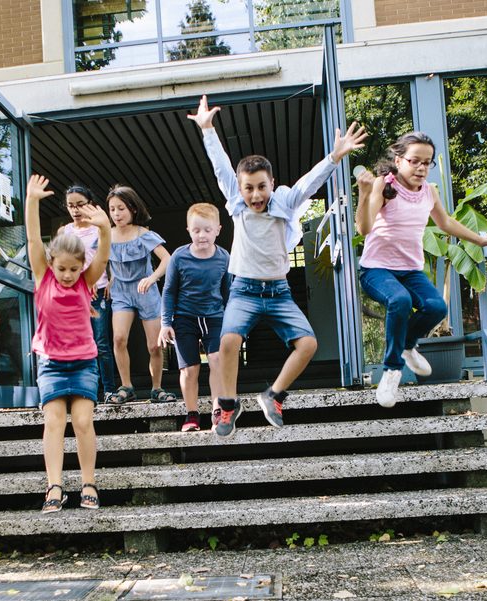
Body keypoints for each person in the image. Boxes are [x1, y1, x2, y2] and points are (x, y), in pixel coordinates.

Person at [189, 94, 367, 437]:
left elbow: (308, 183)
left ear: (271, 184)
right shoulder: (236, 202)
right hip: (243, 290)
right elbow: (221, 168)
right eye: (249, 189)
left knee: (309, 344)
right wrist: (208, 129)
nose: (256, 195)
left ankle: (274, 394)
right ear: (240, 190)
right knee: (227, 342)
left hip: (279, 292)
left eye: (261, 187)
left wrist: (335, 157)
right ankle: (227, 406)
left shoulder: (284, 200)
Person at [355, 131, 487, 408]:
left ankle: (408, 344)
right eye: (415, 161)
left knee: (436, 308)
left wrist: (480, 240)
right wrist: (364, 193)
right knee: (399, 301)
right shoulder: (383, 186)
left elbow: (445, 223)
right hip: (376, 270)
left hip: (410, 271)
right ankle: (392, 370)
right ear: (399, 161)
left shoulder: (429, 192)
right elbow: (364, 228)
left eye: (427, 162)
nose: (421, 168)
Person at [25, 174, 110, 513]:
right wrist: (32, 202)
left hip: (83, 362)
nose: (67, 275)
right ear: (53, 264)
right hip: (51, 362)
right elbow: (33, 240)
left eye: (74, 269)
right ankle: (54, 487)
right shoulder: (43, 278)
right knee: (54, 422)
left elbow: (101, 260)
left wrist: (104, 230)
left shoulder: (84, 283)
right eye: (62, 268)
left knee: (84, 422)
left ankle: (89, 483)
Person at [158, 202, 231, 432]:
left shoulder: (224, 257)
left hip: (214, 317)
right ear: (188, 230)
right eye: (197, 230)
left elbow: (228, 292)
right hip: (185, 318)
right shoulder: (179, 257)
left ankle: (217, 411)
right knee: (190, 370)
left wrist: (233, 324)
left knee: (217, 360)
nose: (202, 235)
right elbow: (169, 291)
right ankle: (192, 415)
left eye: (207, 230)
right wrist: (165, 323)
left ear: (218, 230)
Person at [104, 185, 178, 405]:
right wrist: (108, 278)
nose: (117, 214)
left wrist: (152, 277)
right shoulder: (106, 235)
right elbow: (100, 260)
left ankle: (157, 388)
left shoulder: (143, 234)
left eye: (121, 209)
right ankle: (126, 386)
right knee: (118, 338)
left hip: (146, 290)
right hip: (121, 293)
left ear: (133, 209)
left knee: (154, 345)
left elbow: (168, 259)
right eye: (112, 209)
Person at [58, 185, 116, 402]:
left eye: (80, 204)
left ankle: (108, 390)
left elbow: (111, 257)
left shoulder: (99, 228)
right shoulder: (64, 232)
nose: (75, 210)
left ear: (90, 204)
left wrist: (111, 279)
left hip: (98, 294)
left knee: (101, 343)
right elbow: (59, 264)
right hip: (74, 296)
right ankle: (84, 391)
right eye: (71, 205)